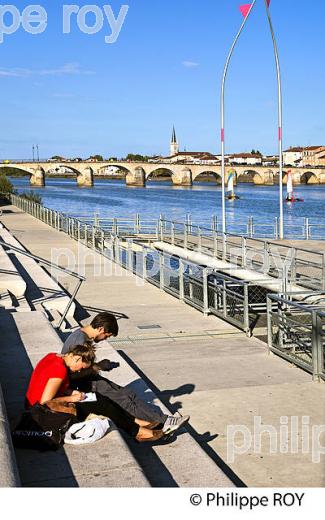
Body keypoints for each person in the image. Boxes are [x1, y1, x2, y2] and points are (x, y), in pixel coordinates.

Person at [63, 312, 190, 436]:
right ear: (101, 328)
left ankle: (159, 421)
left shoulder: (80, 335)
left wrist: (98, 366)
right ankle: (165, 421)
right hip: (82, 383)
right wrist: (99, 366)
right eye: (106, 336)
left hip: (87, 379)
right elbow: (75, 370)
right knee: (124, 398)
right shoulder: (80, 341)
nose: (104, 339)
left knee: (128, 394)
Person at [25, 344, 165, 443]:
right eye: (81, 367)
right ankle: (137, 432)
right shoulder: (59, 370)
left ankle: (136, 422)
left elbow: (50, 385)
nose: (79, 371)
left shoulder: (53, 357)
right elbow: (45, 401)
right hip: (40, 412)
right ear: (76, 358)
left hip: (40, 405)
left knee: (101, 398)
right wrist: (72, 397)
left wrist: (71, 392)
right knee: (102, 405)